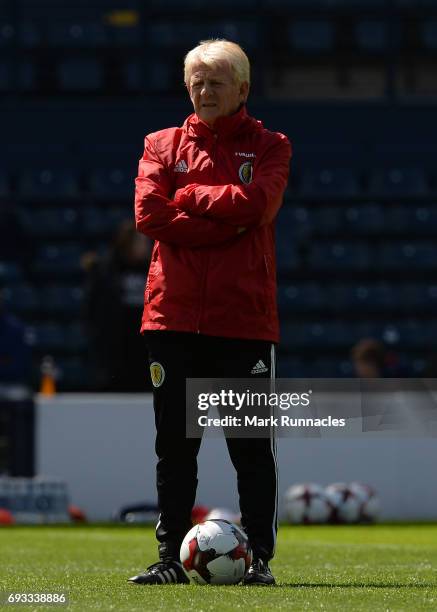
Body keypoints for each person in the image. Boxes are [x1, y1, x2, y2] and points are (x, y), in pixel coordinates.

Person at [129, 39, 291, 586]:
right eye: (196, 80)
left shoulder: (271, 146)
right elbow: (149, 214)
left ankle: (260, 560)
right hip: (171, 318)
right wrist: (227, 220)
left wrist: (190, 196)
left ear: (242, 89)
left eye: (216, 81)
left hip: (243, 321)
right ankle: (168, 558)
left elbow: (259, 207)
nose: (204, 90)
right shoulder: (159, 144)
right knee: (174, 447)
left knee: (251, 450)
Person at [83, 220, 152, 391]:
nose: (146, 247)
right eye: (141, 242)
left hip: (144, 348)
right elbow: (93, 309)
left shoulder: (153, 269)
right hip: (115, 350)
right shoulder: (106, 270)